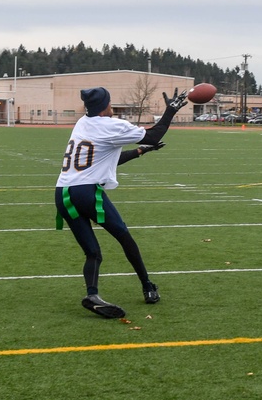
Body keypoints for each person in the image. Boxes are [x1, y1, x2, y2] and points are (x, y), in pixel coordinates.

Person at [55, 86, 188, 319]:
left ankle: (92, 295)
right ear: (105, 104)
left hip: (63, 193)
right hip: (87, 193)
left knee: (93, 252)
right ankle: (147, 286)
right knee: (124, 237)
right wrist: (171, 111)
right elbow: (155, 134)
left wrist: (140, 151)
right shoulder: (111, 125)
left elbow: (104, 160)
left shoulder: (82, 123)